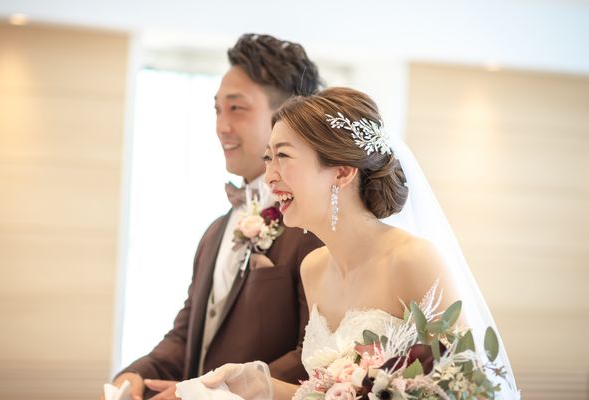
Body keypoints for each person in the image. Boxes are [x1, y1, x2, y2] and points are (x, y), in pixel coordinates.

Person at [178, 87, 518, 399]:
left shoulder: (413, 259)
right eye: (268, 158)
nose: (269, 176)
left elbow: (469, 386)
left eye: (283, 156)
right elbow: (324, 393)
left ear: (342, 172)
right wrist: (259, 383)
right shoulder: (313, 268)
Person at [104, 34, 324, 400]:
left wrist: (207, 391)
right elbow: (187, 336)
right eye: (217, 110)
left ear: (287, 117)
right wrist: (135, 374)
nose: (221, 126)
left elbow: (315, 355)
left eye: (236, 108)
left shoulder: (314, 228)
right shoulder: (215, 231)